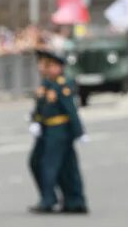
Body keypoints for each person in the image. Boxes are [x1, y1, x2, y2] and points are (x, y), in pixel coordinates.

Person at [28, 46, 87, 214]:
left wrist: (79, 131)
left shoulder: (62, 84)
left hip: (59, 131)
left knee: (51, 166)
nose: (44, 68)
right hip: (48, 129)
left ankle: (54, 200)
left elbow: (71, 110)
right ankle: (70, 200)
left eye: (49, 65)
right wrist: (36, 121)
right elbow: (42, 107)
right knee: (59, 166)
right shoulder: (48, 83)